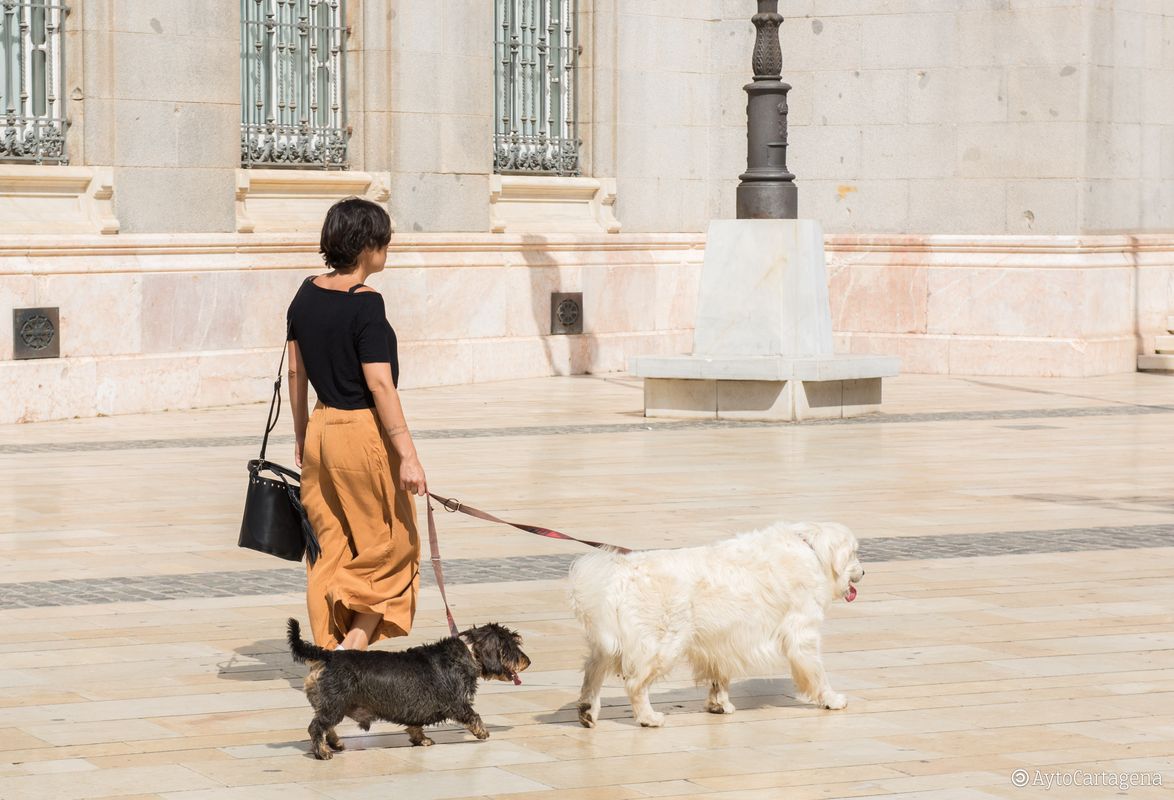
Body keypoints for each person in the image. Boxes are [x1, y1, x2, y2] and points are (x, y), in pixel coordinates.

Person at [285, 197, 427, 652]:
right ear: (366, 244)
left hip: (322, 428)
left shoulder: (305, 292)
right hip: (362, 433)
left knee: (329, 547)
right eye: (383, 239)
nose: (388, 247)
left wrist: (303, 434)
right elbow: (380, 386)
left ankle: (328, 651)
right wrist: (408, 455)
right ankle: (352, 649)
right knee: (394, 543)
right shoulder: (366, 303)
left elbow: (295, 372)